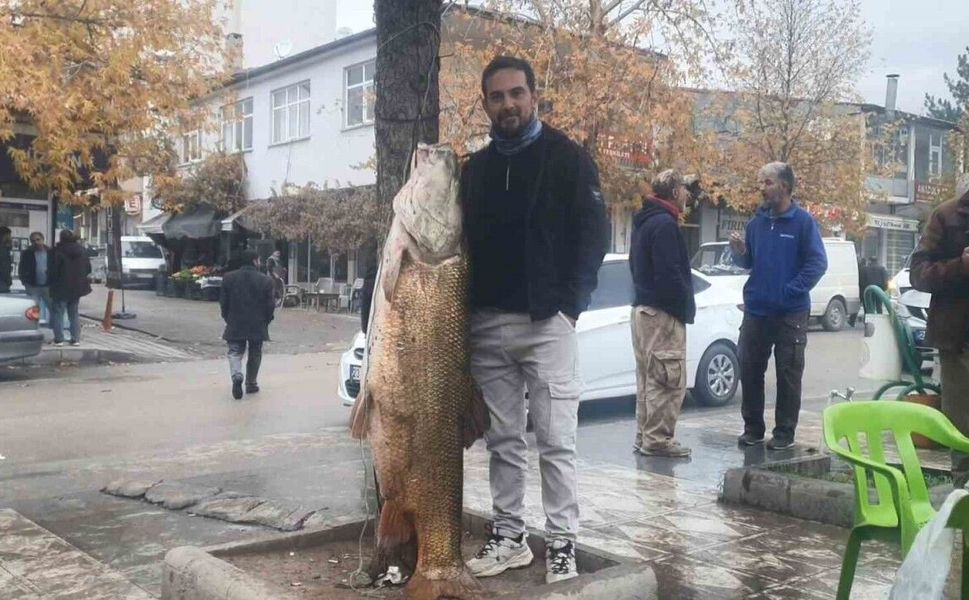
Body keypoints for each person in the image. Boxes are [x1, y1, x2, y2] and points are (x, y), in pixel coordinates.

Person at [461, 56, 608, 585]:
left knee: (555, 438)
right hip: (486, 325)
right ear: (485, 104)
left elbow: (594, 236)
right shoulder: (473, 171)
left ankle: (562, 542)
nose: (508, 105)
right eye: (497, 97)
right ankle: (510, 536)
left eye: (516, 93)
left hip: (547, 321)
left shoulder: (567, 159)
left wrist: (571, 306)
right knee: (503, 440)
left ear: (534, 96)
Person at [729, 162, 827, 450]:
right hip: (757, 310)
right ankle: (753, 429)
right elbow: (749, 261)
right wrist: (739, 253)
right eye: (761, 182)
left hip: (790, 312)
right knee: (749, 368)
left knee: (787, 373)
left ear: (784, 186)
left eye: (768, 182)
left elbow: (818, 263)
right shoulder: (756, 223)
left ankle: (784, 434)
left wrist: (790, 290)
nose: (762, 188)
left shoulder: (803, 223)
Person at [628, 169, 696, 458]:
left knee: (648, 378)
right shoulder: (665, 225)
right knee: (667, 379)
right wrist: (683, 306)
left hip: (644, 311)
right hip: (662, 313)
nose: (688, 195)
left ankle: (645, 436)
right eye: (684, 188)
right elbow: (670, 275)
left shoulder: (645, 222)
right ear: (674, 191)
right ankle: (657, 441)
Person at [910, 173, 969, 484]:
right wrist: (960, 267)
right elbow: (918, 274)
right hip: (959, 343)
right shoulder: (945, 216)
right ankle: (963, 502)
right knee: (962, 429)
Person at [220, 248, 275, 400]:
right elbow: (270, 305)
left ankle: (237, 375)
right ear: (254, 261)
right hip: (257, 323)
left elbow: (223, 302)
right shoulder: (265, 280)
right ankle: (251, 383)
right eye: (258, 260)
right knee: (255, 352)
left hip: (235, 321)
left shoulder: (228, 278)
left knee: (235, 351)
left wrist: (227, 317)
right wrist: (267, 319)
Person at [49, 229, 92, 346]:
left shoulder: (56, 251)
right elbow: (88, 269)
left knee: (58, 312)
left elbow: (53, 270)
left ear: (61, 238)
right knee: (74, 313)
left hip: (60, 287)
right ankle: (76, 339)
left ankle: (59, 339)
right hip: (77, 288)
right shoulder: (82, 251)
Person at [18, 232, 51, 323]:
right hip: (33, 285)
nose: (36, 242)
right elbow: (22, 268)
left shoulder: (50, 252)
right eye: (33, 241)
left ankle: (55, 330)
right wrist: (24, 282)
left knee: (53, 308)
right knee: (33, 310)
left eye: (38, 239)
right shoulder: (27, 253)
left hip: (47, 286)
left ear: (43, 239)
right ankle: (34, 328)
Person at [0, 226, 11, 293]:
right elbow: (4, 266)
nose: (10, 237)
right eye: (9, 235)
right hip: (2, 280)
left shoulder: (5, 248)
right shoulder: (3, 249)